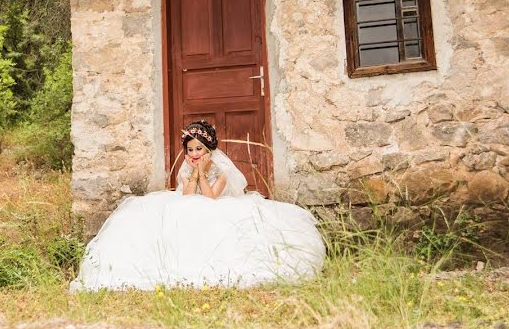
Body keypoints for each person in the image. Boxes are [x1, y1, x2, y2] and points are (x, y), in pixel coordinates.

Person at [69, 120, 326, 291]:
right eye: (190, 149)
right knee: (154, 213)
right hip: (190, 201)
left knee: (210, 216)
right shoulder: (185, 171)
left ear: (210, 151)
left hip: (215, 202)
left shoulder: (222, 172)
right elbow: (188, 197)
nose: (194, 154)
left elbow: (211, 198)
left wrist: (204, 172)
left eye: (199, 149)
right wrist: (193, 174)